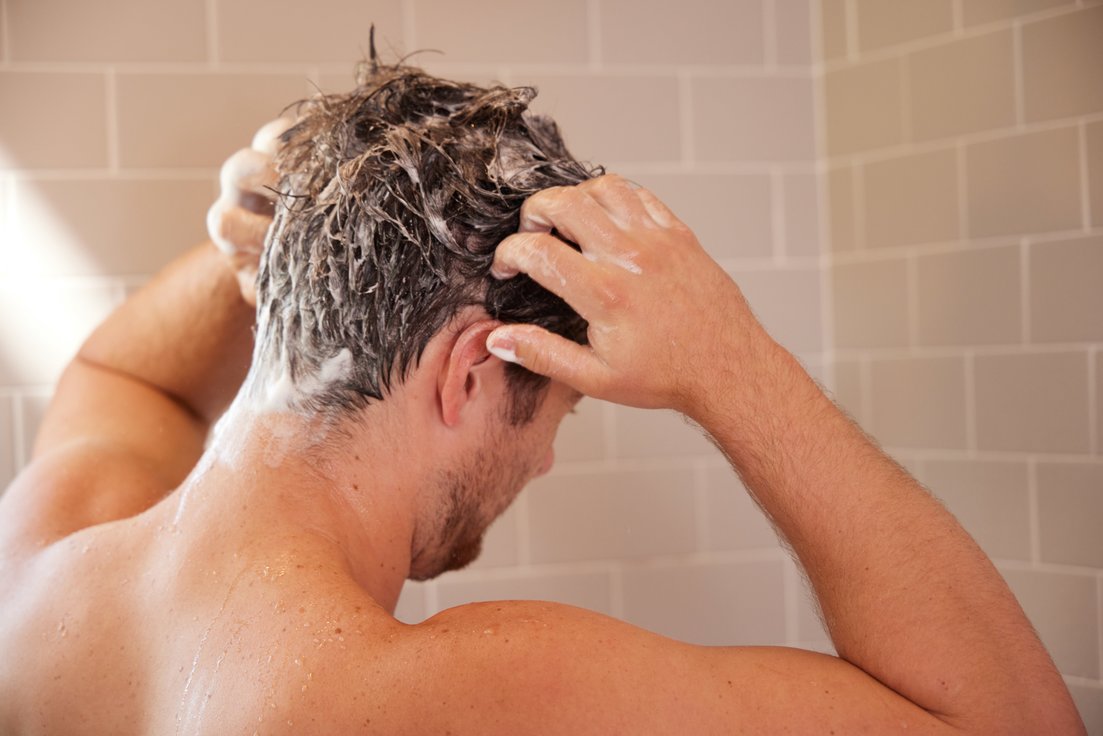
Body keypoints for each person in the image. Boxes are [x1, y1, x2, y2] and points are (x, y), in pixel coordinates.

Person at [0, 59, 1085, 735]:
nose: (544, 461)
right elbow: (1011, 721)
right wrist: (729, 360)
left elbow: (120, 375)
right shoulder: (470, 695)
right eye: (556, 410)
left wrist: (297, 223)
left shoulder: (44, 560)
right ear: (469, 370)